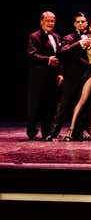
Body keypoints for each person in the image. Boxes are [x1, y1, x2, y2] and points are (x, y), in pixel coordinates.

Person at [47, 12, 91, 140]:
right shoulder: (69, 37)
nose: (81, 24)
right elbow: (63, 51)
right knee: (64, 103)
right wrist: (79, 44)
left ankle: (78, 132)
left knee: (83, 104)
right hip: (72, 76)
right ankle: (53, 132)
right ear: (74, 24)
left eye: (83, 21)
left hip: (87, 75)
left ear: (87, 23)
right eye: (78, 22)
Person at [26, 11, 63, 140]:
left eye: (52, 21)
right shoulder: (34, 36)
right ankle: (31, 131)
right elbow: (31, 55)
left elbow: (59, 57)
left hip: (52, 76)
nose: (50, 23)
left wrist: (60, 74)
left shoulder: (57, 36)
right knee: (36, 104)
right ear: (41, 22)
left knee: (50, 105)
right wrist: (48, 59)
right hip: (38, 77)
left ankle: (46, 132)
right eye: (47, 20)